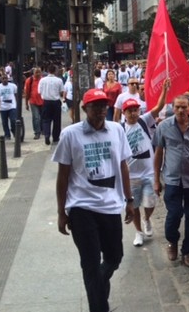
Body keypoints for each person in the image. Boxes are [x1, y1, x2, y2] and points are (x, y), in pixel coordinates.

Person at [53, 88, 134, 312]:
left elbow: (123, 166)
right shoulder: (70, 134)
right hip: (81, 207)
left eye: (103, 105)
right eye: (95, 106)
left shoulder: (117, 130)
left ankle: (98, 285)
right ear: (84, 108)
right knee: (89, 264)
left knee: (114, 257)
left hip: (110, 205)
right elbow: (63, 175)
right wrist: (61, 212)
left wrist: (129, 199)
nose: (100, 110)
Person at [152, 95, 189, 267]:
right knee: (174, 214)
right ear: (172, 107)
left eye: (184, 107)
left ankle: (187, 251)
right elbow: (158, 154)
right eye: (177, 107)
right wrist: (156, 180)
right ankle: (172, 241)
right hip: (172, 179)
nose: (181, 110)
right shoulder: (164, 127)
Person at [122, 79, 169, 247]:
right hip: (132, 174)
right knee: (134, 205)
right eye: (129, 111)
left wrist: (164, 89)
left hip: (149, 171)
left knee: (151, 202)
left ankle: (147, 218)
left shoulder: (144, 120)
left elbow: (159, 106)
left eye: (135, 110)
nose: (133, 114)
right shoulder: (120, 129)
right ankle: (138, 232)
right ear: (124, 113)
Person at [38, 64, 65, 145]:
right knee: (57, 120)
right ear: (55, 71)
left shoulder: (42, 80)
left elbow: (39, 91)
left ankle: (47, 134)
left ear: (48, 70)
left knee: (46, 120)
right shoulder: (59, 80)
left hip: (46, 101)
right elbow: (61, 92)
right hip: (55, 101)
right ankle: (55, 137)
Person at [0, 73, 18, 140]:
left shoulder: (13, 86)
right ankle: (7, 134)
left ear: (8, 79)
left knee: (13, 120)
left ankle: (14, 131)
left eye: (6, 78)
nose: (4, 80)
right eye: (3, 78)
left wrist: (17, 104)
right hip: (2, 107)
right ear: (1, 79)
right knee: (4, 122)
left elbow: (16, 96)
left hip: (12, 106)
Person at [24, 67, 43, 139]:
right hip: (33, 101)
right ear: (33, 73)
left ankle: (42, 130)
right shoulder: (29, 80)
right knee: (36, 117)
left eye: (39, 72)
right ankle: (37, 132)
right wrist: (26, 103)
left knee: (42, 117)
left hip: (43, 101)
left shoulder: (43, 79)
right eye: (36, 72)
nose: (38, 74)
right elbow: (27, 92)